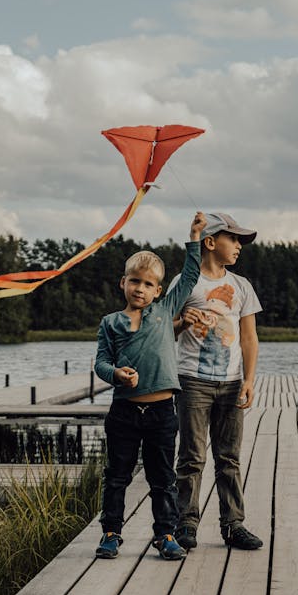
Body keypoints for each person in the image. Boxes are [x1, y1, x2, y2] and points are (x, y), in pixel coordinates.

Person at [94, 211, 207, 561]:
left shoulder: (164, 310)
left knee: (163, 480)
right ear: (123, 283)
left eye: (147, 284)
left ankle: (165, 535)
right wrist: (116, 374)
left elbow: (190, 276)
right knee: (117, 477)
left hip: (161, 412)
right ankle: (112, 532)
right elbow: (100, 363)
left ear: (158, 290)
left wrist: (193, 237)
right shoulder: (110, 323)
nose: (140, 289)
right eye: (134, 281)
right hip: (125, 411)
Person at [170, 212, 264, 551]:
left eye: (240, 241)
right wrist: (182, 322)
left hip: (231, 382)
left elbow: (249, 338)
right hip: (193, 380)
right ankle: (186, 525)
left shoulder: (241, 286)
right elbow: (162, 330)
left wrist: (249, 380)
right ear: (210, 242)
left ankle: (233, 524)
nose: (239, 246)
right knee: (192, 456)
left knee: (229, 457)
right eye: (233, 239)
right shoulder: (186, 282)